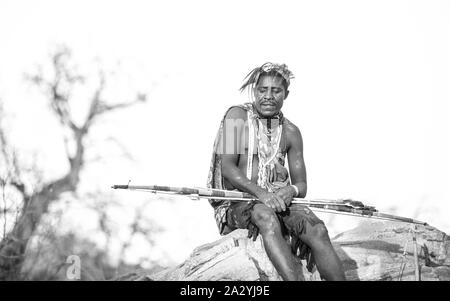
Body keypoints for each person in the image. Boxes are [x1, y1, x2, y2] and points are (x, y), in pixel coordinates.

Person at [207, 62, 346, 281]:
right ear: (255, 91)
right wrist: (262, 194)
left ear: (286, 94)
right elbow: (227, 167)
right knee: (266, 216)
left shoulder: (291, 132)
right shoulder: (236, 117)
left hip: (280, 202)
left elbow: (302, 185)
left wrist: (290, 190)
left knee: (318, 230)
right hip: (239, 202)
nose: (268, 96)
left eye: (276, 91)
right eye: (263, 90)